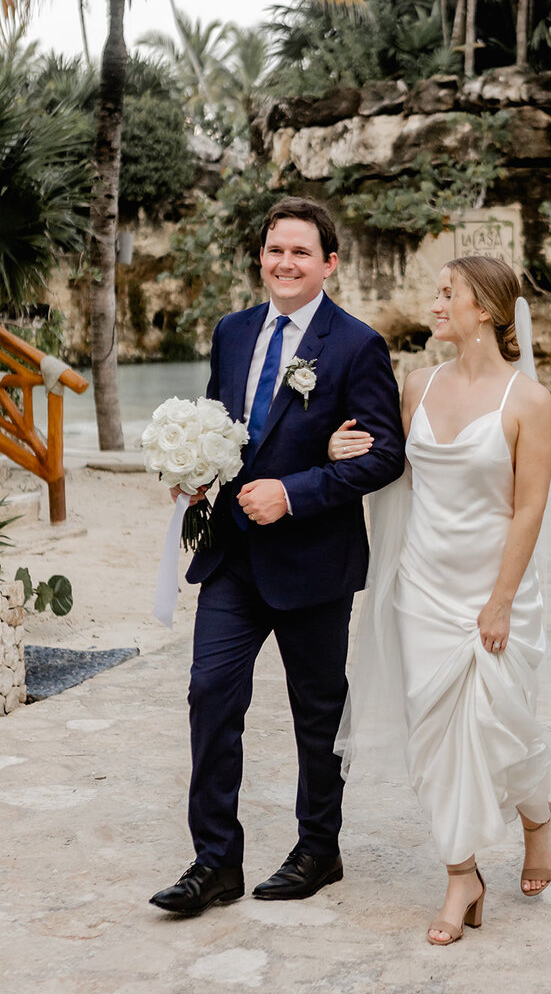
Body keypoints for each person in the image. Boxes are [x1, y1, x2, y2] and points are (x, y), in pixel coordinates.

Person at [151, 196, 406, 915]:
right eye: (274, 250)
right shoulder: (230, 333)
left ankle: (319, 848)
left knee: (317, 712)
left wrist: (294, 491)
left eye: (300, 252)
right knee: (210, 695)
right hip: (232, 555)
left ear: (328, 263)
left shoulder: (356, 345)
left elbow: (385, 454)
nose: (284, 263)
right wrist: (193, 471)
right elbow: (219, 425)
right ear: (260, 258)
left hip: (313, 559)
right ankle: (214, 863)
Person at [330, 255, 551, 945]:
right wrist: (339, 447)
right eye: (438, 292)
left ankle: (537, 820)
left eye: (450, 294)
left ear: (488, 312)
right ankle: (460, 874)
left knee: (503, 724)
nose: (435, 303)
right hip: (423, 588)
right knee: (436, 738)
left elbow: (528, 507)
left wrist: (500, 601)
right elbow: (391, 470)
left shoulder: (529, 401)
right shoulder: (417, 384)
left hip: (496, 588)